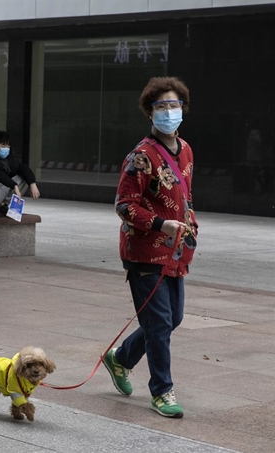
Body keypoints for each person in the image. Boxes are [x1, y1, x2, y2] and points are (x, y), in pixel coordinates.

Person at [103, 76, 199, 419]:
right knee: (159, 325)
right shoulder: (140, 157)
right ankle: (162, 392)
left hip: (176, 251)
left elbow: (183, 196)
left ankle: (121, 358)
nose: (169, 111)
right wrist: (161, 224)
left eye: (174, 105)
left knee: (173, 319)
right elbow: (124, 205)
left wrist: (189, 226)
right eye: (162, 106)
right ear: (150, 113)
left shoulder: (185, 149)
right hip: (144, 252)